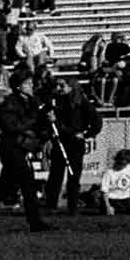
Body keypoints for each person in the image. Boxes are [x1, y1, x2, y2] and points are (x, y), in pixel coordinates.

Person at [0, 67, 51, 233]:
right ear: (18, 86)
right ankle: (35, 221)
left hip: (22, 147)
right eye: (27, 83)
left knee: (5, 187)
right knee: (27, 182)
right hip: (11, 147)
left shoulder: (33, 102)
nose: (31, 85)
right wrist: (33, 120)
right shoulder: (9, 102)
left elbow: (38, 124)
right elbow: (8, 125)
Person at [41, 79, 100, 216]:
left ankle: (72, 206)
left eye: (63, 85)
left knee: (73, 175)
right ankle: (51, 205)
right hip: (59, 141)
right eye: (58, 85)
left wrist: (86, 134)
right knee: (56, 175)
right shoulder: (55, 101)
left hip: (74, 143)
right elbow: (45, 116)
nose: (59, 88)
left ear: (71, 87)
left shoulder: (81, 102)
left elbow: (96, 121)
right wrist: (48, 120)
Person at [100, 148, 130, 214]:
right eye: (121, 163)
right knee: (107, 212)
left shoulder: (129, 168)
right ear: (117, 160)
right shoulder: (109, 172)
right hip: (111, 198)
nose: (123, 166)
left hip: (125, 198)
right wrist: (107, 206)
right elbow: (104, 191)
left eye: (125, 163)